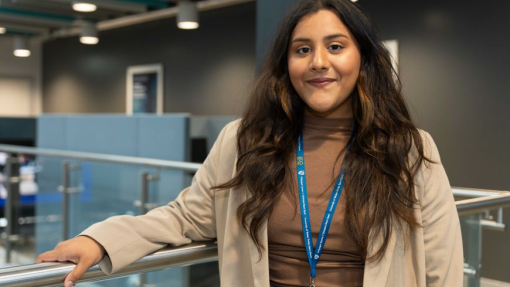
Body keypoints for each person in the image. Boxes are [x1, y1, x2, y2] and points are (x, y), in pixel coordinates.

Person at [36, 0, 463, 286]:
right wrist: (100, 240)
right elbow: (186, 216)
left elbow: (441, 265)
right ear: (286, 65)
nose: (319, 62)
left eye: (336, 46)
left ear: (363, 59)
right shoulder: (245, 141)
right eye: (302, 50)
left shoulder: (408, 148)